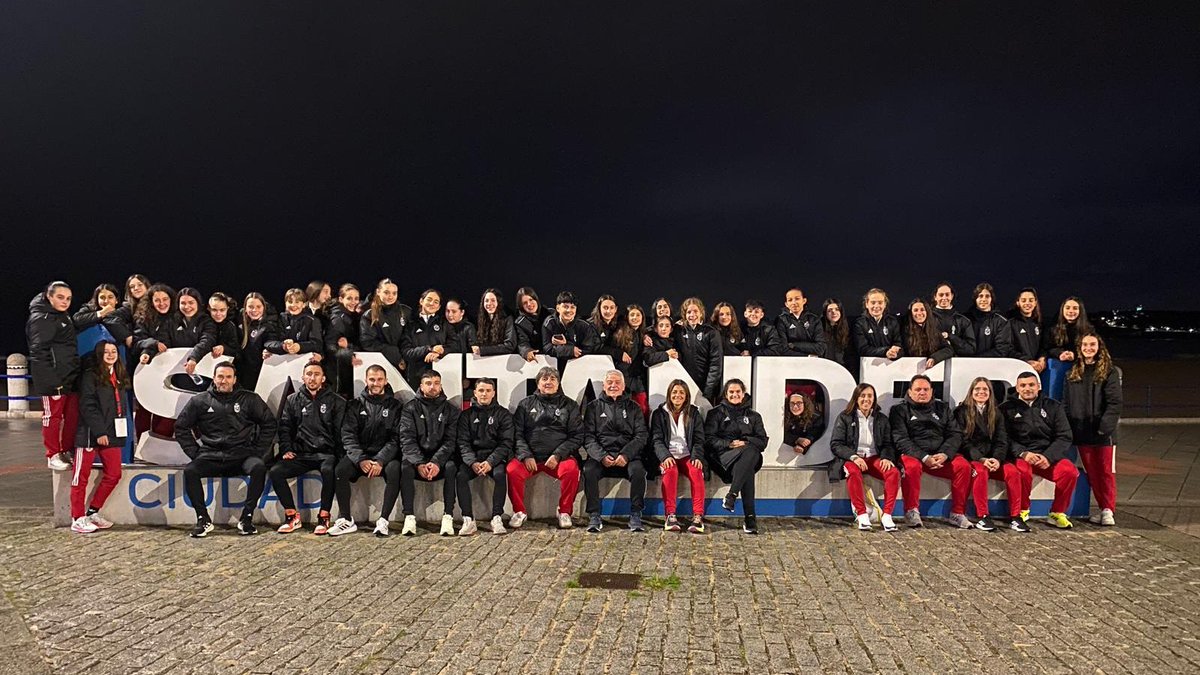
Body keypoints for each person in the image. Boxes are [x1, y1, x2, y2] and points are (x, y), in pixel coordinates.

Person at [174, 362, 278, 538]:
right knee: (191, 471)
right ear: (214, 378)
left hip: (241, 456)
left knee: (258, 467)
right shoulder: (200, 401)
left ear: (234, 379)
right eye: (220, 377)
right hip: (210, 456)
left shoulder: (249, 399)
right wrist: (194, 453)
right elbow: (181, 427)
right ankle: (203, 519)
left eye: (228, 377)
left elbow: (269, 423)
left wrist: (257, 451)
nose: (224, 381)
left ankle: (247, 518)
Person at [270, 360, 345, 535]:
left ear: (323, 378)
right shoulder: (292, 400)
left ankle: (324, 517)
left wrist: (339, 455)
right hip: (301, 454)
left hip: (326, 454)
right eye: (309, 374)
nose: (312, 378)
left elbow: (340, 431)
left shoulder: (336, 401)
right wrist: (286, 449)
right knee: (276, 471)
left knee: (329, 470)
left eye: (316, 374)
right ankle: (291, 516)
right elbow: (285, 427)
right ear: (303, 377)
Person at [329, 365, 404, 537]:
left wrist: (380, 460)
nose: (375, 383)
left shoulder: (395, 407)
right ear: (366, 380)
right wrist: (361, 459)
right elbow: (348, 435)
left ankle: (383, 520)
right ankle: (346, 519)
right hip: (361, 456)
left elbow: (396, 438)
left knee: (395, 470)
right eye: (372, 379)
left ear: (385, 381)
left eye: (379, 379)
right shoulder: (354, 405)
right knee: (340, 470)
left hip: (384, 458)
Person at [890, 374, 971, 528]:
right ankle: (911, 511)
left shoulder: (943, 408)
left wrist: (945, 454)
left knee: (963, 466)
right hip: (915, 455)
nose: (922, 392)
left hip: (941, 455)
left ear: (932, 391)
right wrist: (924, 457)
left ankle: (958, 513)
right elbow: (900, 439)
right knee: (911, 467)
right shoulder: (899, 410)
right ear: (910, 392)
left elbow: (955, 434)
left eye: (926, 389)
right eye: (918, 389)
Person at [507, 367, 584, 529]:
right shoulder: (525, 404)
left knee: (571, 470)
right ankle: (519, 511)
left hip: (557, 459)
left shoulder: (570, 405)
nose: (548, 382)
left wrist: (558, 454)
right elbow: (517, 434)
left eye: (552, 379)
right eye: (544, 379)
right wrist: (526, 455)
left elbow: (577, 435)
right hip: (531, 459)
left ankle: (564, 512)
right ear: (538, 383)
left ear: (558, 383)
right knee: (512, 470)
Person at [1000, 372, 1080, 529]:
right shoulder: (1006, 409)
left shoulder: (1053, 406)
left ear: (1038, 386)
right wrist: (1023, 453)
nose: (1027, 388)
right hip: (1022, 456)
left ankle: (1057, 513)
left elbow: (1064, 436)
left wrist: (1048, 457)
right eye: (1023, 385)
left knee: (1070, 472)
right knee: (1022, 471)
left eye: (1031, 385)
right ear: (1017, 388)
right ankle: (1022, 510)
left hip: (1047, 456)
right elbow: (1003, 437)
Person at [949, 376, 1027, 532]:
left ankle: (1015, 517)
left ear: (990, 392)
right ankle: (983, 515)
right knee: (980, 472)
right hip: (974, 457)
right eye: (977, 389)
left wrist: (997, 459)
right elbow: (962, 441)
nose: (981, 392)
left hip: (994, 457)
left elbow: (1002, 439)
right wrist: (981, 458)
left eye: (985, 389)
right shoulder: (961, 412)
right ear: (971, 391)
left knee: (1013, 472)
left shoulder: (996, 413)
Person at [1063, 334, 1123, 526]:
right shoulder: (1072, 373)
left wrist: (1105, 428)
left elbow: (1115, 403)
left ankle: (1108, 509)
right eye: (1085, 344)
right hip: (1082, 432)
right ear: (1079, 348)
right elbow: (1066, 403)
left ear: (1099, 346)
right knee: (1092, 473)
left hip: (1104, 434)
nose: (1088, 348)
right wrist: (1070, 428)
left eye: (1092, 344)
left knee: (1106, 472)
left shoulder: (1109, 371)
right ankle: (1102, 507)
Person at [68, 341, 128, 533]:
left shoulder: (118, 375)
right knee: (80, 477)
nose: (110, 355)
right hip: (90, 433)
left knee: (114, 474)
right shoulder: (90, 376)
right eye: (106, 352)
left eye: (113, 351)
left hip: (112, 432)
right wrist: (100, 431)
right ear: (99, 354)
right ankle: (77, 518)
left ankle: (93, 512)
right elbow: (88, 405)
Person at [581, 370, 649, 533]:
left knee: (639, 472)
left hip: (628, 456)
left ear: (623, 386)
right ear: (603, 386)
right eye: (610, 382)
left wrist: (626, 455)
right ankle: (594, 515)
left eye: (617, 382)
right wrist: (602, 456)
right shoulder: (593, 407)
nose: (613, 385)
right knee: (589, 470)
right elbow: (588, 437)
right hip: (601, 456)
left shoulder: (634, 407)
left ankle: (635, 514)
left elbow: (641, 436)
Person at [396, 369, 461, 536]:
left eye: (436, 383)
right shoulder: (410, 408)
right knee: (405, 467)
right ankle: (409, 516)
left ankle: (448, 516)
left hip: (440, 459)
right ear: (421, 386)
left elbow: (450, 441)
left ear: (441, 386)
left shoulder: (451, 410)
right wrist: (419, 463)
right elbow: (407, 439)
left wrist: (436, 462)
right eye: (429, 383)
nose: (433, 387)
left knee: (452, 467)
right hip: (418, 459)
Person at [830, 383, 901, 531]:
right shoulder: (845, 417)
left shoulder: (881, 419)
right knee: (853, 472)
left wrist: (886, 457)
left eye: (870, 396)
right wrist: (853, 457)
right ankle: (862, 515)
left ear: (874, 399)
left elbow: (888, 443)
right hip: (853, 458)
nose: (866, 399)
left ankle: (887, 515)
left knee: (893, 473)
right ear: (856, 398)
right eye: (862, 396)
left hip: (874, 458)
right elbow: (836, 444)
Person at [28, 281, 81, 470]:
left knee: (72, 415)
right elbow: (38, 352)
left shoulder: (62, 315)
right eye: (60, 297)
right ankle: (52, 455)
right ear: (48, 296)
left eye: (68, 298)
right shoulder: (41, 318)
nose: (65, 301)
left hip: (69, 376)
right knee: (52, 417)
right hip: (55, 379)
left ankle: (66, 450)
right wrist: (52, 381)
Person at [704, 379, 767, 534]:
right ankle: (750, 518)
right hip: (722, 459)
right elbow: (708, 439)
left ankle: (732, 495)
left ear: (743, 393)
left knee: (750, 453)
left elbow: (762, 441)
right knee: (748, 467)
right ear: (726, 394)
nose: (735, 394)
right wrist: (729, 444)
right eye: (731, 392)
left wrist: (745, 442)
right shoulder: (715, 413)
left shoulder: (754, 416)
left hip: (746, 458)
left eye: (738, 391)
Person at [455, 378, 515, 535]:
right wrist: (472, 462)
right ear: (475, 393)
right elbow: (462, 442)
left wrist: (490, 462)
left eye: (488, 391)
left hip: (494, 458)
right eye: (481, 390)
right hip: (473, 459)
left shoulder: (503, 414)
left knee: (500, 475)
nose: (484, 394)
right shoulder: (466, 415)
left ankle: (496, 517)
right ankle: (468, 519)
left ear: (494, 393)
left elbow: (506, 443)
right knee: (461, 476)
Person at [651, 379, 707, 533]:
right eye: (674, 392)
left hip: (688, 455)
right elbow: (656, 440)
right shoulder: (659, 414)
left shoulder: (694, 413)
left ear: (686, 395)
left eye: (682, 392)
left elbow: (699, 439)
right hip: (668, 454)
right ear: (669, 394)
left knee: (696, 471)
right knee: (670, 471)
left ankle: (698, 517)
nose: (678, 395)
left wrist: (696, 457)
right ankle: (670, 515)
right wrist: (665, 456)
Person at [138, 287, 218, 378]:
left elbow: (207, 341)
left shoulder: (207, 321)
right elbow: (162, 342)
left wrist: (193, 358)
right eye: (183, 303)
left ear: (198, 303)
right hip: (176, 372)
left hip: (202, 369)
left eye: (191, 302)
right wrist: (147, 353)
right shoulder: (171, 321)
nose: (187, 307)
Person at [359, 278, 411, 374]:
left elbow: (410, 337)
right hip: (380, 363)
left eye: (394, 293)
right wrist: (395, 356)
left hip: (406, 363)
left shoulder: (406, 312)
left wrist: (405, 356)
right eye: (386, 292)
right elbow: (368, 342)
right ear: (378, 292)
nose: (390, 296)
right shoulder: (369, 315)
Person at [676, 297, 723, 403]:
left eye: (695, 311)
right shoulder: (679, 331)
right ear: (684, 315)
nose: (692, 315)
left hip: (705, 387)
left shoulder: (711, 333)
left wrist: (708, 390)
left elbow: (716, 363)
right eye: (689, 312)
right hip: (685, 385)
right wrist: (646, 336)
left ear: (701, 313)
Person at [399, 289, 447, 388]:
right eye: (429, 299)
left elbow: (454, 344)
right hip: (416, 377)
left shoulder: (444, 324)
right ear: (421, 301)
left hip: (441, 375)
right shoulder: (410, 324)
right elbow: (406, 352)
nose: (432, 303)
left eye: (436, 302)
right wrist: (429, 349)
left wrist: (439, 352)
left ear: (439, 307)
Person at [542, 291, 600, 372]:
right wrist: (569, 350)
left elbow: (588, 349)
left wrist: (566, 345)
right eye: (565, 307)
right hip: (554, 367)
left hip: (577, 367)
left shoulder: (584, 326)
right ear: (558, 308)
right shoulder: (549, 323)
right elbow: (547, 348)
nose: (569, 310)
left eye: (572, 307)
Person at [324, 283, 362, 398]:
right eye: (349, 298)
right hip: (338, 372)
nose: (353, 302)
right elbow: (330, 346)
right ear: (341, 299)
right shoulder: (338, 319)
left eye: (356, 298)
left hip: (345, 369)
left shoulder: (351, 315)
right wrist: (348, 355)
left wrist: (349, 345)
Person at [265, 288, 324, 359]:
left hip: (304, 361)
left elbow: (317, 345)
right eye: (290, 302)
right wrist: (283, 346)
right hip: (281, 361)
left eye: (297, 302)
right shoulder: (279, 319)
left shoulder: (312, 320)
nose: (293, 305)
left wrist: (299, 347)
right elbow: (268, 342)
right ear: (285, 303)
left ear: (303, 304)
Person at [237, 292, 278, 391]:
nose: (254, 310)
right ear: (245, 308)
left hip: (262, 374)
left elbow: (272, 341)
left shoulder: (270, 325)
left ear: (264, 307)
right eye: (250, 307)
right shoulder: (240, 325)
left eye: (258, 307)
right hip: (242, 376)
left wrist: (269, 350)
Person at [72, 283, 133, 349]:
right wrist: (102, 313)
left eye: (110, 297)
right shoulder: (89, 308)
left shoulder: (122, 312)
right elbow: (76, 319)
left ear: (116, 300)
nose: (106, 301)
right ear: (97, 299)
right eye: (102, 298)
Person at [614, 304, 649, 413]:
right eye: (632, 315)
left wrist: (645, 336)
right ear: (627, 317)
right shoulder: (619, 333)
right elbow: (605, 348)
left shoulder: (643, 334)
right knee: (624, 410)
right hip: (624, 377)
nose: (635, 317)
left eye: (638, 315)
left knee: (643, 409)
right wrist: (619, 354)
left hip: (638, 379)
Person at [852, 288, 902, 361]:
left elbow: (899, 344)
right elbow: (863, 349)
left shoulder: (892, 321)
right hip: (868, 365)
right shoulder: (860, 323)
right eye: (873, 302)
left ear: (885, 304)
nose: (876, 306)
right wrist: (885, 352)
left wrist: (896, 352)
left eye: (880, 302)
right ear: (867, 304)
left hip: (891, 364)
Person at [775, 288, 827, 358]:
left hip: (812, 363)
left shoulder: (814, 319)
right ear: (786, 304)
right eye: (790, 300)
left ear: (804, 301)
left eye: (797, 299)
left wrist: (793, 345)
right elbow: (782, 349)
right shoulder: (781, 320)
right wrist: (807, 356)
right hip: (790, 362)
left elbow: (820, 348)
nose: (794, 302)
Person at [903, 298, 953, 368]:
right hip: (908, 369)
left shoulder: (934, 331)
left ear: (927, 312)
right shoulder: (904, 331)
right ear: (911, 313)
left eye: (922, 310)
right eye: (915, 310)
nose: (919, 313)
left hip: (931, 371)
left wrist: (934, 358)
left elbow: (949, 349)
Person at [930, 283, 976, 356]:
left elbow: (971, 349)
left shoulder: (963, 321)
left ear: (952, 296)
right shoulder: (927, 319)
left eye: (947, 294)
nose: (944, 298)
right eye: (941, 295)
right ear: (935, 297)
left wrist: (950, 337)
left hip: (957, 362)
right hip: (932, 361)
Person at [1008, 287, 1047, 373]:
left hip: (1038, 369)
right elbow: (1009, 349)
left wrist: (1042, 358)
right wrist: (1027, 361)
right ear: (1018, 303)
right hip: (1019, 368)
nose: (1027, 303)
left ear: (1035, 303)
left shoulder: (1039, 323)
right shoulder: (1011, 324)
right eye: (1024, 300)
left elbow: (1043, 346)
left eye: (1031, 300)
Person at [968, 283, 1013, 357]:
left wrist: (978, 359)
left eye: (987, 296)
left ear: (992, 298)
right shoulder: (965, 319)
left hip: (992, 363)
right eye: (980, 296)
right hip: (967, 362)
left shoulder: (1001, 322)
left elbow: (1002, 349)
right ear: (975, 298)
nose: (983, 299)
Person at [1047, 296, 1094, 364]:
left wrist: (1074, 354)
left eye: (1075, 308)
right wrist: (1060, 353)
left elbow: (1092, 349)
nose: (1071, 311)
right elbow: (1048, 348)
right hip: (1058, 364)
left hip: (1080, 364)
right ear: (1062, 310)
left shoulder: (1089, 330)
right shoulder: (1053, 328)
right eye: (1067, 308)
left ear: (1080, 311)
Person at [472, 288, 517, 356]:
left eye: (493, 300)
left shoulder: (507, 319)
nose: (489, 303)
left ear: (498, 302)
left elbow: (510, 346)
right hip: (484, 360)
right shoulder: (480, 319)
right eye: (486, 301)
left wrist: (483, 350)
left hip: (503, 359)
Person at [513, 286, 549, 361]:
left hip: (554, 355)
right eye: (525, 303)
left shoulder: (550, 314)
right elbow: (522, 342)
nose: (529, 304)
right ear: (521, 306)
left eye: (531, 300)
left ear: (536, 299)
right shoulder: (520, 323)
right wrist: (527, 351)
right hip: (538, 358)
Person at [206, 292, 241, 365]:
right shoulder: (203, 323)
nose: (218, 314)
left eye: (222, 310)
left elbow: (236, 351)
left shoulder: (231, 326)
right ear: (209, 309)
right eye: (214, 310)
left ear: (227, 309)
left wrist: (224, 348)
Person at [821, 298, 853, 371]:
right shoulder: (820, 329)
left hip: (842, 369)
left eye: (837, 309)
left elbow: (850, 355)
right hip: (824, 368)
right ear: (825, 313)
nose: (834, 312)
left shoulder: (848, 329)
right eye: (830, 310)